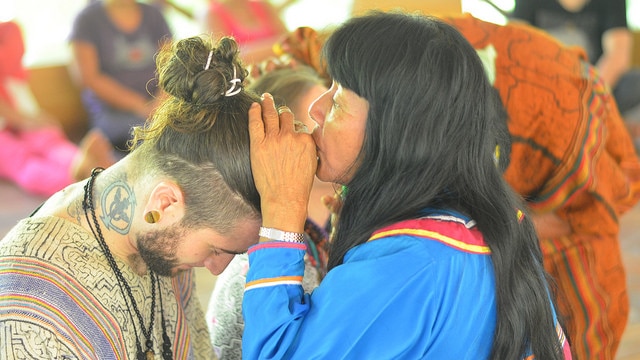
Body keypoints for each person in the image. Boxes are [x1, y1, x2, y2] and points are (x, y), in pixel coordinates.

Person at [275, 14, 640, 359]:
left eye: (338, 99)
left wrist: (279, 220)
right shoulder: (474, 215)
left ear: (396, 128)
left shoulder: (412, 260)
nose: (316, 110)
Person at [0, 34, 261, 359]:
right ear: (165, 202)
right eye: (218, 250)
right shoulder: (34, 309)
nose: (218, 268)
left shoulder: (160, 236)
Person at [206, 65, 330, 359]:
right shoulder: (254, 261)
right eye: (317, 119)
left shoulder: (322, 227)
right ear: (276, 150)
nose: (332, 128)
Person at [0, 20, 115, 197]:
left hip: (21, 115)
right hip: (7, 131)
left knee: (49, 140)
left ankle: (86, 166)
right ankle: (73, 179)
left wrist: (35, 120)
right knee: (22, 160)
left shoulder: (8, 33)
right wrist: (26, 120)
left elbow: (16, 81)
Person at [511, 0, 640, 146]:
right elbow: (514, 52)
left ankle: (619, 137)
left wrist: (586, 95)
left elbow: (619, 54)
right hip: (541, 92)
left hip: (595, 90)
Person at [69, 0, 173, 158]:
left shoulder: (154, 15)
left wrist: (158, 105)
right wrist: (141, 106)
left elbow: (171, 65)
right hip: (111, 113)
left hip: (158, 108)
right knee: (151, 138)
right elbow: (89, 78)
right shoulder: (87, 19)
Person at [203, 0, 291, 64]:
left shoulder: (263, 5)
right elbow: (227, 59)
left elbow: (290, 40)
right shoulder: (212, 15)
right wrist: (280, 47)